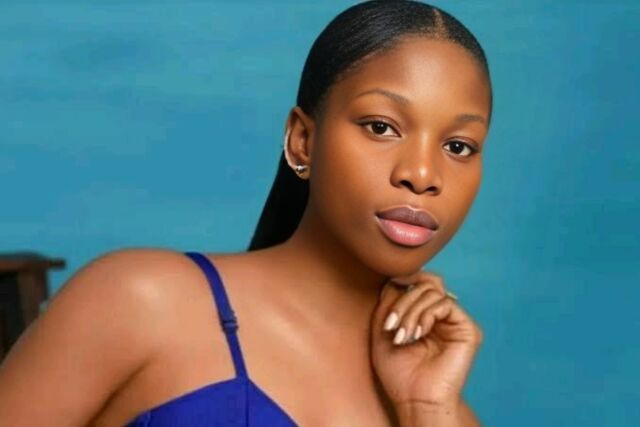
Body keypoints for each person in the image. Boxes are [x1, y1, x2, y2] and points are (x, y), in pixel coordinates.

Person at [0, 1, 491, 425]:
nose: (422, 174)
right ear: (302, 140)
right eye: (381, 126)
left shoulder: (438, 402)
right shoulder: (140, 303)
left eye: (458, 146)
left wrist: (427, 409)